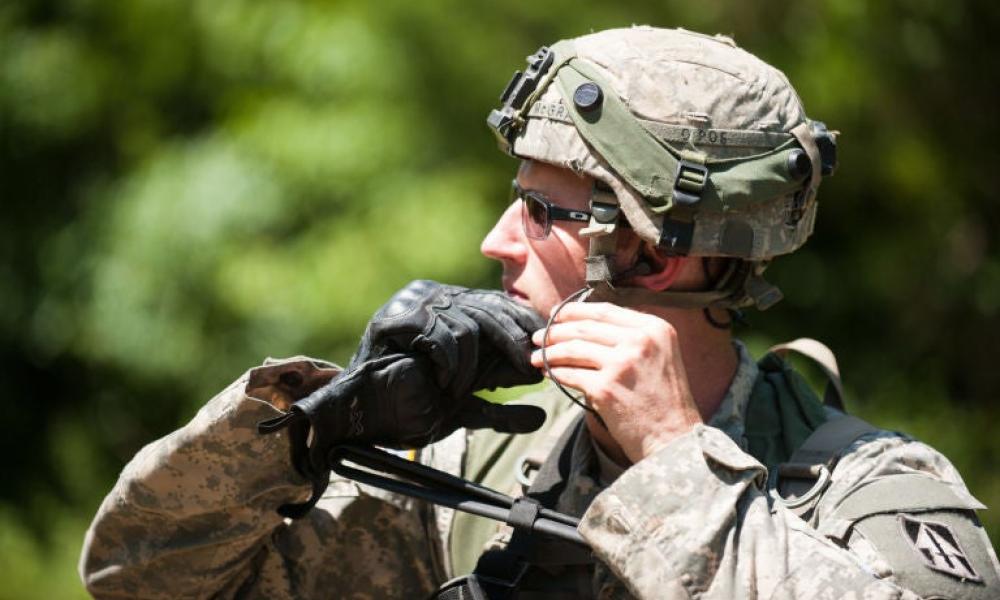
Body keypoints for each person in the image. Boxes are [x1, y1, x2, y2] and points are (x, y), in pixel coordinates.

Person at [79, 26, 999, 599]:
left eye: (542, 212)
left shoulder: (869, 495)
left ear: (651, 252)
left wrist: (674, 460)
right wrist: (302, 438)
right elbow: (140, 580)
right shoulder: (476, 467)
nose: (496, 242)